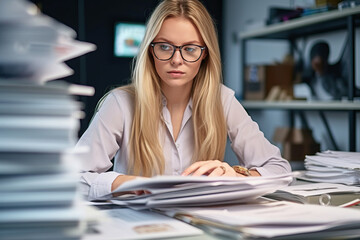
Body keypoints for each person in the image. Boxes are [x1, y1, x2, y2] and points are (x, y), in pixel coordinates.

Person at [77, 0, 291, 200]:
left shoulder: (222, 99)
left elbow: (279, 170)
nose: (176, 60)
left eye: (189, 49)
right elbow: (72, 179)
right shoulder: (120, 103)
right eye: (164, 47)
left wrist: (237, 177)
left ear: (205, 53)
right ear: (150, 51)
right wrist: (127, 183)